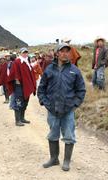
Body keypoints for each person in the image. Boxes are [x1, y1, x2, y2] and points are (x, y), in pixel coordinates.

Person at [38, 43, 86, 171]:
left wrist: (74, 104)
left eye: (67, 51)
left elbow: (81, 90)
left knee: (69, 136)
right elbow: (41, 89)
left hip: (68, 110)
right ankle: (54, 159)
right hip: (52, 109)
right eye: (62, 51)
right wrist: (45, 103)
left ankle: (66, 161)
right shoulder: (49, 70)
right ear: (57, 53)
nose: (65, 53)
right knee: (53, 135)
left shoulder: (74, 70)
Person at [7, 48, 36, 126]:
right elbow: (14, 73)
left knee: (25, 102)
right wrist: (18, 82)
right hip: (19, 86)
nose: (25, 54)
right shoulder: (17, 61)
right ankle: (17, 120)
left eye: (26, 52)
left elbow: (30, 74)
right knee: (18, 102)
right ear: (20, 53)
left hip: (26, 85)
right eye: (23, 53)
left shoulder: (27, 62)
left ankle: (22, 118)